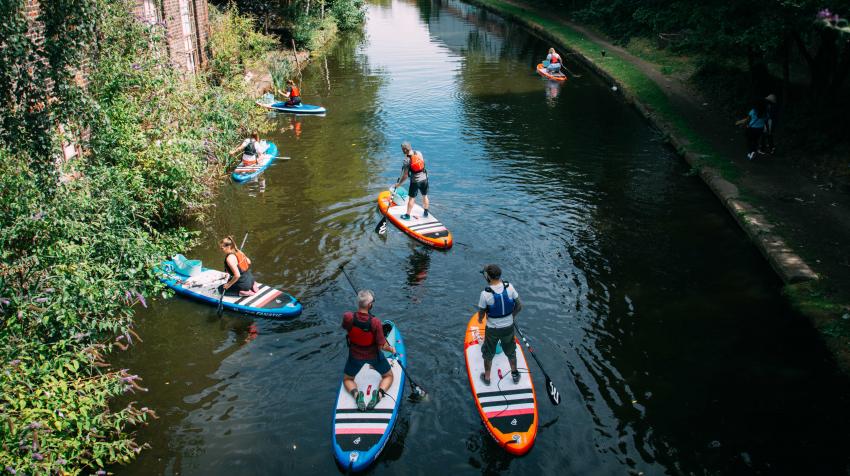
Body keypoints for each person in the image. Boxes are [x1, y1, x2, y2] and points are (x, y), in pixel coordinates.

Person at [342, 290, 396, 411]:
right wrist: (391, 348)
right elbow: (382, 345)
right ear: (370, 305)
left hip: (355, 356)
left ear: (358, 303)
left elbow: (346, 327)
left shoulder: (348, 317)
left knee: (347, 379)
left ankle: (357, 395)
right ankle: (379, 394)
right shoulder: (375, 322)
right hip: (374, 356)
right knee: (388, 376)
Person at [476, 264, 523, 385]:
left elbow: (481, 312)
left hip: (493, 329)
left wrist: (481, 320)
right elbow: (519, 306)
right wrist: (512, 316)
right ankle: (515, 375)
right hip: (508, 328)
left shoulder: (485, 294)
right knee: (511, 351)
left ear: (488, 277)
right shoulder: (510, 287)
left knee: (488, 353)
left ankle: (487, 378)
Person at [393, 142, 430, 220]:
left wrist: (399, 184)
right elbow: (422, 164)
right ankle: (426, 212)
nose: (402, 150)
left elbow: (405, 175)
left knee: (411, 198)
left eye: (402, 149)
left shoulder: (406, 160)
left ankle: (407, 215)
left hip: (415, 181)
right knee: (425, 196)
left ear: (405, 149)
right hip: (425, 178)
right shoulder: (419, 153)